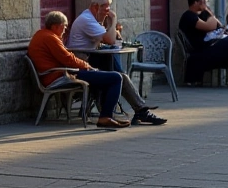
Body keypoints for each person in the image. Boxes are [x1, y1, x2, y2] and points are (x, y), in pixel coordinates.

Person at [27, 11, 167, 127]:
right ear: (56, 26)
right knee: (116, 77)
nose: (64, 31)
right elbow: (68, 59)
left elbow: (66, 57)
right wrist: (87, 66)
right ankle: (106, 116)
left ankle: (141, 111)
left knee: (119, 76)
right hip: (61, 76)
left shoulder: (43, 35)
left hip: (63, 73)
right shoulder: (50, 38)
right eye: (64, 27)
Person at [68, 0, 122, 71]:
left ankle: (121, 77)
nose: (106, 14)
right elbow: (110, 40)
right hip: (82, 57)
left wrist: (105, 22)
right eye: (104, 11)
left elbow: (108, 38)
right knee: (111, 52)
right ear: (96, 7)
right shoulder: (87, 19)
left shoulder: (90, 17)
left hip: (89, 54)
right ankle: (121, 77)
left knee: (111, 50)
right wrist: (114, 19)